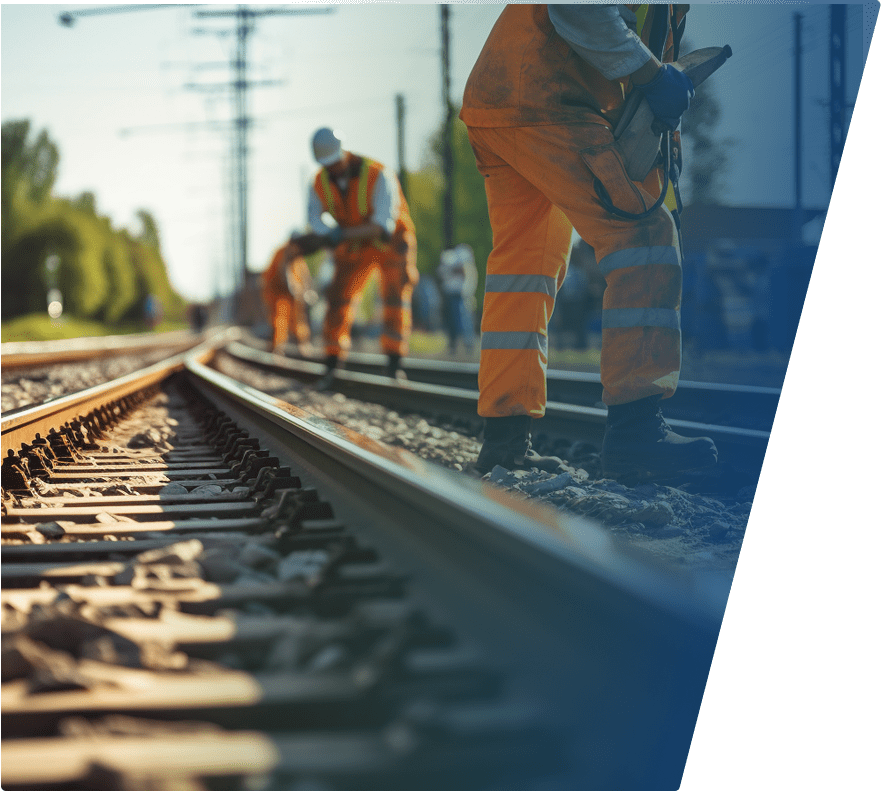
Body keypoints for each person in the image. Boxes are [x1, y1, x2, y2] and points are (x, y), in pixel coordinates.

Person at [460, 4, 717, 480]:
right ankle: (637, 436)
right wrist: (653, 75)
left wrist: (666, 141)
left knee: (525, 270)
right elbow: (578, 8)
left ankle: (504, 439)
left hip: (501, 98)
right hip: (549, 97)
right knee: (645, 236)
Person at [307, 127, 419, 388]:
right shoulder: (318, 183)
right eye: (327, 165)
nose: (332, 170)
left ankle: (394, 365)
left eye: (334, 163)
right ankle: (332, 364)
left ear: (343, 153)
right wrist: (328, 233)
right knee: (338, 299)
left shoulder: (379, 175)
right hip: (355, 244)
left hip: (391, 242)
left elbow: (382, 226)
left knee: (395, 299)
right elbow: (314, 219)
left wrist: (339, 234)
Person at [261, 233, 322, 356]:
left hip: (292, 293)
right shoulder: (283, 253)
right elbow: (283, 274)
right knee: (279, 319)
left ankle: (303, 345)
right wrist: (293, 290)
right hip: (277, 293)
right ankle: (276, 348)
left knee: (299, 318)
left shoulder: (298, 257)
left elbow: (305, 276)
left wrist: (308, 291)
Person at [436, 243, 478, 355]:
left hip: (460, 294)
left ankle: (467, 345)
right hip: (451, 294)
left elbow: (466, 274)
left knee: (463, 320)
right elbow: (441, 273)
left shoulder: (463, 259)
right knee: (453, 321)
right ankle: (455, 345)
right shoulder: (450, 258)